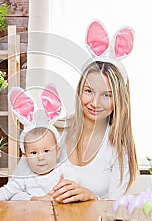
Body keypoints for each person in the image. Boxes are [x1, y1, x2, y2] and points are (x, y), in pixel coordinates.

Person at [49, 20, 139, 203]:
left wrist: (92, 197)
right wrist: (35, 197)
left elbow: (117, 207)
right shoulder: (55, 131)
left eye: (107, 95)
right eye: (89, 91)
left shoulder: (120, 149)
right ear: (79, 90)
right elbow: (18, 187)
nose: (95, 103)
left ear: (119, 100)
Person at [0, 85, 79, 201]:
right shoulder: (24, 177)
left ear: (57, 151)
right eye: (34, 153)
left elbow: (76, 187)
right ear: (25, 155)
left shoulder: (64, 172)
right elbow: (7, 192)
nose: (40, 157)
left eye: (46, 151)